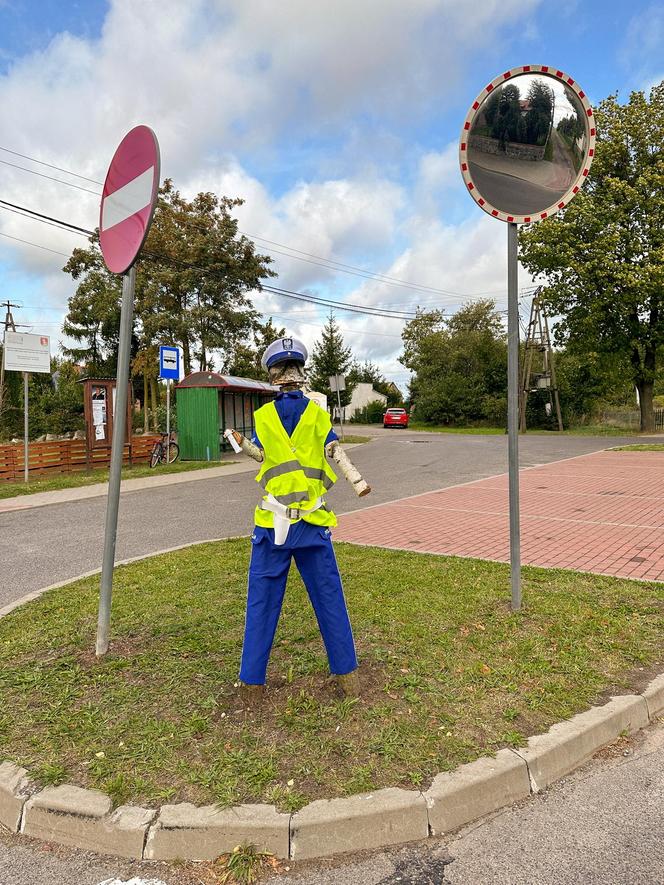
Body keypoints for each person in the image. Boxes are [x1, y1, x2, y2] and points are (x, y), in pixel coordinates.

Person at [226, 336, 371, 704]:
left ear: (273, 375)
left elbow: (260, 456)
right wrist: (355, 478)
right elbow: (336, 453)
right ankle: (347, 677)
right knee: (329, 597)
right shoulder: (320, 416)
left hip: (272, 525)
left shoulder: (263, 417)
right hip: (311, 522)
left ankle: (251, 684)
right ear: (299, 373)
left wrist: (243, 445)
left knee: (261, 601)